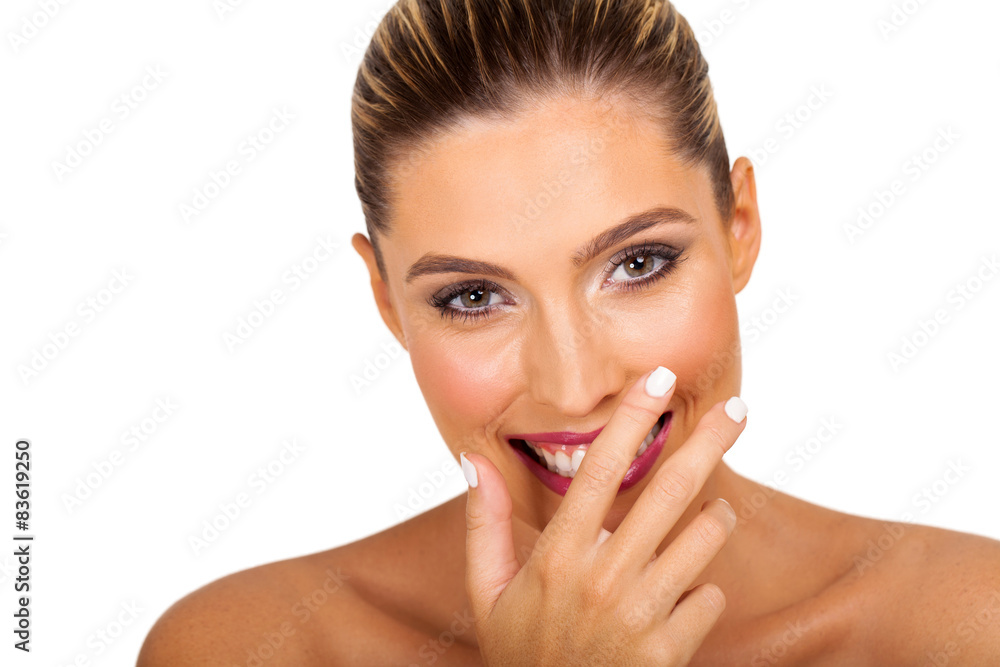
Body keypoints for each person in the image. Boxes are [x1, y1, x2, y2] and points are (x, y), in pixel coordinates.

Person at [138, 1, 1000, 664]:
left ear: (739, 225)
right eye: (475, 296)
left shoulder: (965, 624)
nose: (576, 383)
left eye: (638, 263)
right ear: (387, 300)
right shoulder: (253, 646)